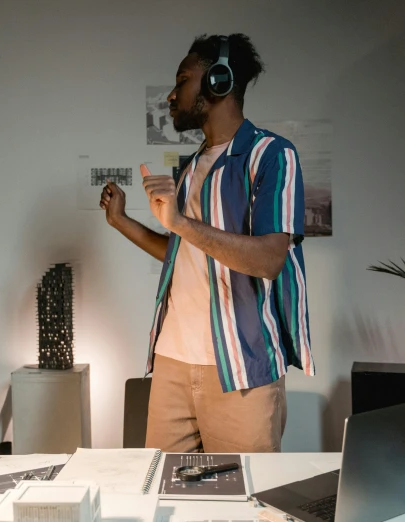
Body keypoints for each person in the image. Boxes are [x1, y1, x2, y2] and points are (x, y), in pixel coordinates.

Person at [100, 33, 314, 453]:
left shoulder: (273, 155)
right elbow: (184, 254)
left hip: (240, 370)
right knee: (163, 500)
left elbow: (270, 258)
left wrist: (181, 221)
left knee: (245, 505)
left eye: (182, 79)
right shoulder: (192, 166)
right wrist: (121, 221)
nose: (172, 95)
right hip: (172, 365)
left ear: (219, 80)